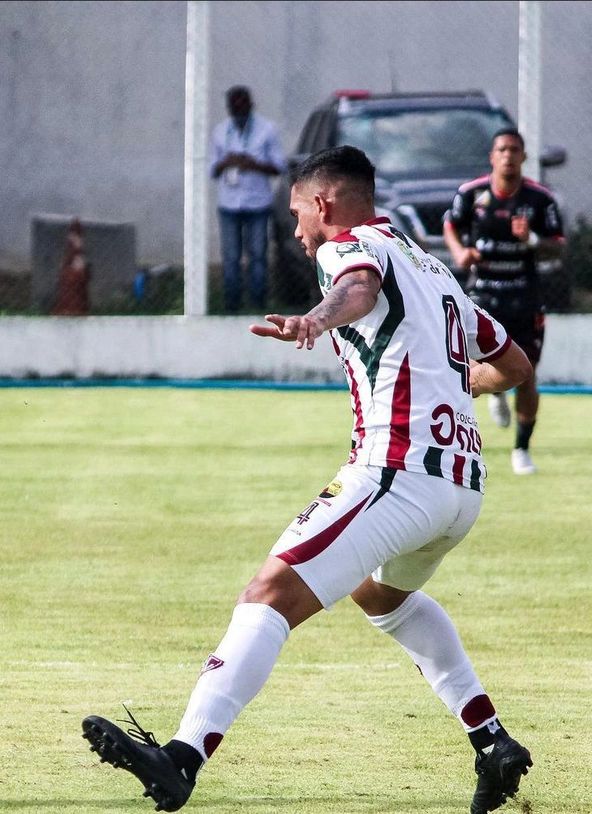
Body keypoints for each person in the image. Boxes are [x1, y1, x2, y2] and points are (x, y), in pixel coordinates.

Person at [82, 146, 534, 814]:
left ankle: (182, 757)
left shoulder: (349, 247)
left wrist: (316, 319)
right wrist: (451, 379)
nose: (297, 232)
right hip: (461, 486)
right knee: (376, 594)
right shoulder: (432, 266)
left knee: (270, 590)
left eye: (298, 213)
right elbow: (515, 361)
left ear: (323, 203)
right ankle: (491, 740)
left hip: (397, 473)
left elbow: (357, 289)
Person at [444, 128, 565, 475]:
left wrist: (532, 239)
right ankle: (490, 401)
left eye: (515, 150)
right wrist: (459, 253)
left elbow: (558, 245)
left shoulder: (541, 199)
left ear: (524, 157)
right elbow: (450, 225)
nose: (508, 155)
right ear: (492, 157)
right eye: (502, 149)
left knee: (527, 375)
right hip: (482, 295)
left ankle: (522, 450)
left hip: (524, 298)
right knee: (467, 369)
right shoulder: (472, 194)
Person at [210, 85, 287, 312]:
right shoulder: (220, 131)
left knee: (258, 257)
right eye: (235, 107)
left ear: (251, 105)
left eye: (243, 105)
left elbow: (279, 167)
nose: (239, 110)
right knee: (231, 258)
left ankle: (258, 305)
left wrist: (253, 165)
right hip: (229, 203)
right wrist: (227, 162)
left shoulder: (267, 129)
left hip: (257, 203)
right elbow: (211, 170)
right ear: (229, 108)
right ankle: (231, 306)